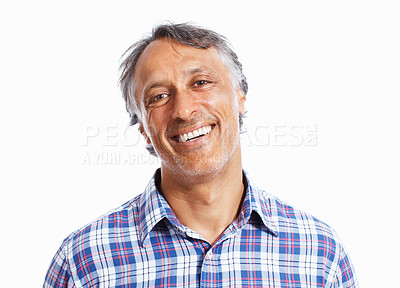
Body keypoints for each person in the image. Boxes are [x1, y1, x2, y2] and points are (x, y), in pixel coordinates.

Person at [44, 23, 358, 287]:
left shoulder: (320, 254)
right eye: (159, 97)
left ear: (240, 96)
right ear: (141, 125)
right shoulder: (82, 261)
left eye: (201, 82)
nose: (183, 110)